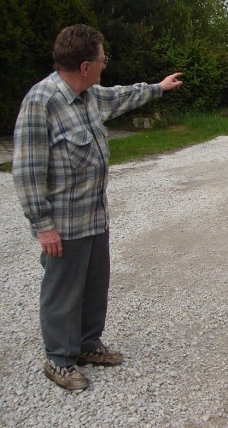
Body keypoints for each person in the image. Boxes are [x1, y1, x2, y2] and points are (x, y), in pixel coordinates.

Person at [12, 24, 183, 391]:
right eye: (103, 59)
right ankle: (59, 359)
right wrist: (43, 225)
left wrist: (159, 88)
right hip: (64, 223)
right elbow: (27, 171)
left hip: (94, 216)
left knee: (94, 285)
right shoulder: (42, 101)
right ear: (86, 65)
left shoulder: (90, 95)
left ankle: (88, 344)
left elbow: (122, 96)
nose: (106, 64)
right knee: (62, 290)